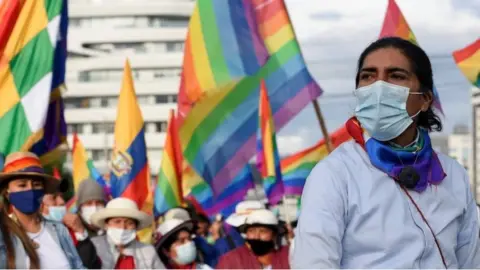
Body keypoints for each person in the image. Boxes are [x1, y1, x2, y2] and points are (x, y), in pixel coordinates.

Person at [293, 37, 480, 268]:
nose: (379, 87)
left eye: (396, 76)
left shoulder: (453, 175)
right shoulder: (335, 174)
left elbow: (471, 261)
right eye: (368, 76)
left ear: (424, 99)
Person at [0, 152, 84, 268]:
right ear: (7, 193)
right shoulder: (3, 235)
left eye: (36, 184)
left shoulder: (59, 230)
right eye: (22, 185)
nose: (31, 190)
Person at [42, 179, 102, 268]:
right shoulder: (28, 237)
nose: (62, 202)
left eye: (61, 196)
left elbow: (93, 266)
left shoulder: (70, 230)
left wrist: (81, 233)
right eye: (54, 198)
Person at [90, 197, 164, 269]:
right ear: (106, 225)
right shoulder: (93, 246)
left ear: (135, 227)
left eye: (130, 223)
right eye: (117, 222)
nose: (122, 227)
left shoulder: (148, 251)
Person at [216, 209, 290, 269]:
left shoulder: (289, 256)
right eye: (251, 231)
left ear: (274, 235)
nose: (256, 236)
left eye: (263, 231)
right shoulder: (230, 260)